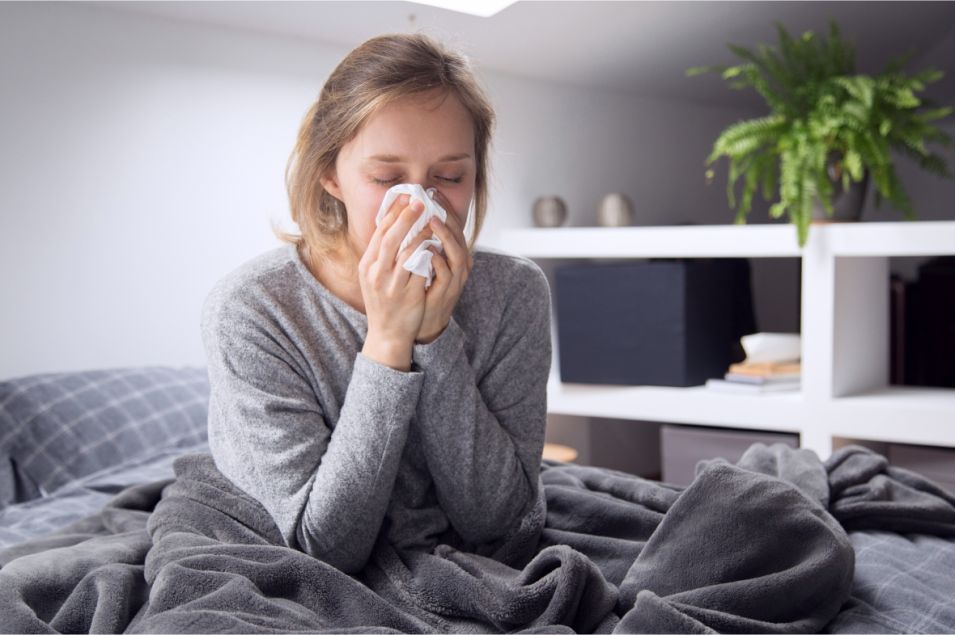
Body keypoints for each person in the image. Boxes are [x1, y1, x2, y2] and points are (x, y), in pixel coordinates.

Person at [200, 32, 552, 576]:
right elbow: (325, 548)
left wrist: (435, 339)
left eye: (450, 177)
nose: (421, 203)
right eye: (386, 177)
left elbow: (501, 524)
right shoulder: (253, 310)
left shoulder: (513, 291)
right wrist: (389, 341)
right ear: (328, 173)